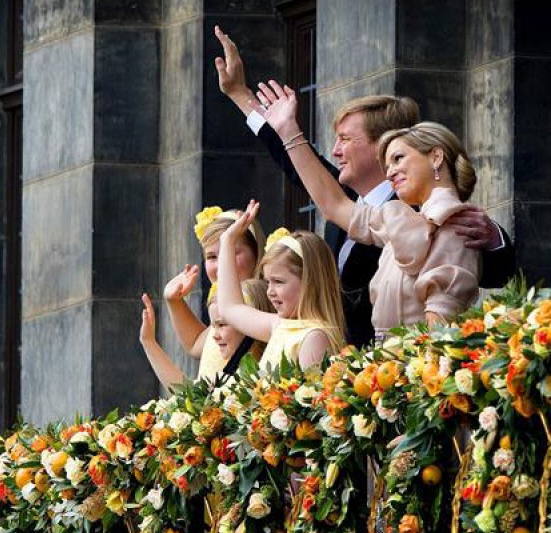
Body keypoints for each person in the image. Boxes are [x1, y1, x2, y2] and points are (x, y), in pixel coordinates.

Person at [212, 25, 515, 346]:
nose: (335, 151)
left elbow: (485, 275)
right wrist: (241, 96)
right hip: (353, 373)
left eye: (345, 139)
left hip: (407, 369)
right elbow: (301, 166)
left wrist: (495, 239)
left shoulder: (427, 215)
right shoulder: (364, 207)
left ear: (381, 147)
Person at [259, 82, 480, 339]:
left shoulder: (458, 224)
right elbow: (334, 205)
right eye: (387, 162)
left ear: (435, 157)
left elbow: (441, 330)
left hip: (417, 369)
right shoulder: (395, 216)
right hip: (382, 367)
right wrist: (288, 131)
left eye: (398, 159)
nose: (391, 171)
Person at [217, 200, 345, 371]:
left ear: (309, 282)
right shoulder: (280, 325)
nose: (270, 292)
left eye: (278, 282)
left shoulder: (314, 337)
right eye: (267, 282)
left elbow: (308, 397)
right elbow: (229, 308)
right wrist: (227, 240)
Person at [163, 206, 266, 379]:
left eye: (231, 251)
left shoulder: (254, 300)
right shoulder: (222, 304)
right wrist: (174, 301)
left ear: (256, 253)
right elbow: (196, 343)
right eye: (211, 257)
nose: (220, 265)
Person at [139, 279, 272, 389]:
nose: (214, 335)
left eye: (222, 325)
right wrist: (148, 341)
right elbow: (188, 394)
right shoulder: (228, 374)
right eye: (213, 326)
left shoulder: (270, 377)